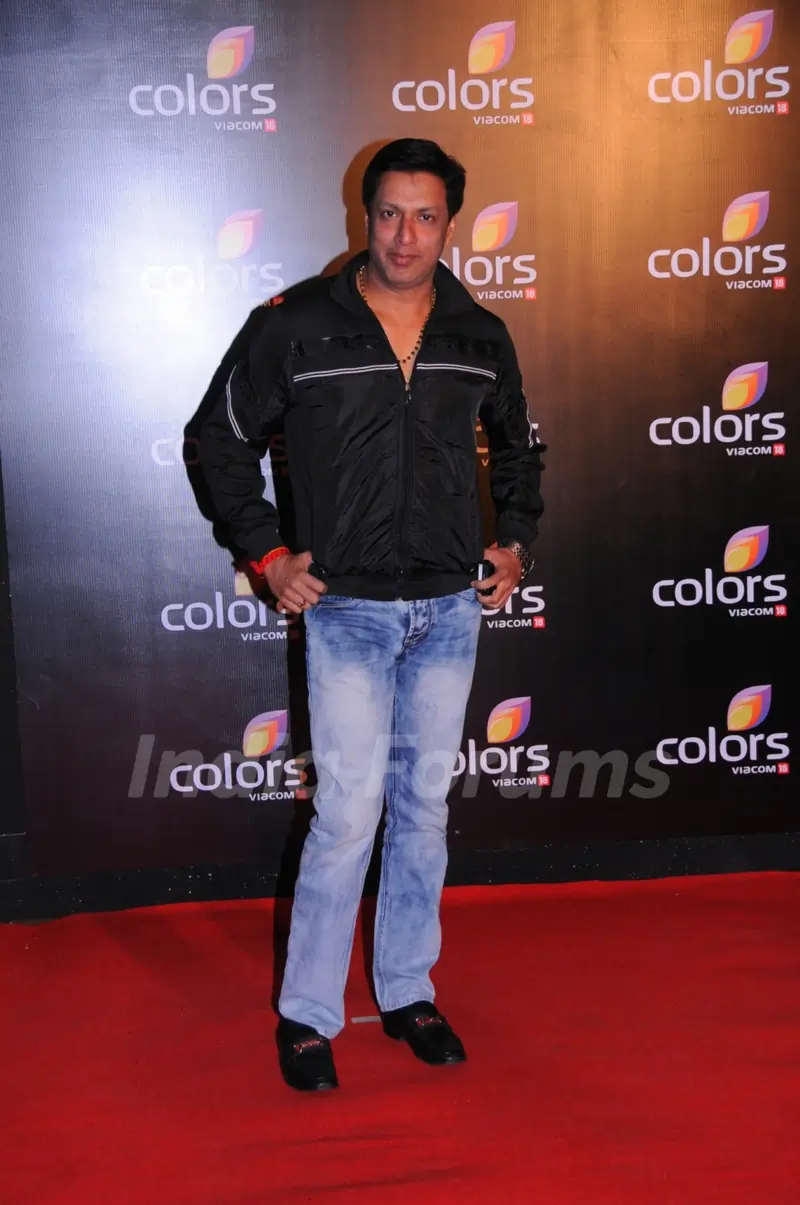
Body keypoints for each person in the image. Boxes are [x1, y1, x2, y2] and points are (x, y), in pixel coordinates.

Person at [200, 138, 544, 1092]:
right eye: (389, 213)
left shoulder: (481, 333)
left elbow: (521, 449)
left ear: (449, 224)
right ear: (366, 216)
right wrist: (267, 553)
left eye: (425, 216)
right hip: (347, 609)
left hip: (449, 610)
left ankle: (407, 991)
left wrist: (516, 540)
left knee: (423, 810)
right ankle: (310, 1015)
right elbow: (218, 437)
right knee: (348, 814)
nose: (405, 235)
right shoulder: (299, 325)